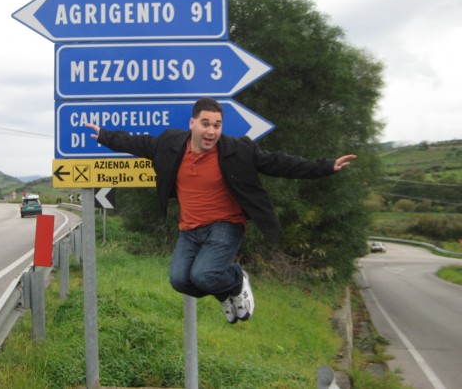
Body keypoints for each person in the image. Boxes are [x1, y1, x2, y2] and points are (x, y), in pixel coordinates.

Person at [85, 98, 357, 324]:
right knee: (180, 280)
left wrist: (325, 166)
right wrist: (106, 136)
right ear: (192, 124)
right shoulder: (170, 144)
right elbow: (139, 144)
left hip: (225, 225)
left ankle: (237, 279)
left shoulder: (237, 150)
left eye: (216, 125)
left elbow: (279, 163)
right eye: (205, 124)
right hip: (190, 230)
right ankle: (227, 293)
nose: (211, 131)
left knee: (204, 275)